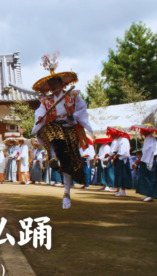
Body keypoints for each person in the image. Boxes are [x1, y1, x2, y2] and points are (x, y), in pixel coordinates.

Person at [31, 53, 92, 209]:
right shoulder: (47, 101)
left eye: (55, 82)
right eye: (50, 83)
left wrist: (73, 116)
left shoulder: (73, 96)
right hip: (55, 127)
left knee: (68, 161)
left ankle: (66, 192)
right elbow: (39, 112)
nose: (52, 86)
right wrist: (39, 118)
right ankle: (51, 155)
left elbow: (82, 110)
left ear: (61, 83)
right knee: (47, 129)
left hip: (70, 127)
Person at [131, 124, 157, 202]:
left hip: (150, 160)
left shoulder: (151, 139)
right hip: (146, 159)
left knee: (150, 178)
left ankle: (151, 194)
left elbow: (150, 151)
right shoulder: (147, 139)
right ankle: (148, 194)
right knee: (145, 177)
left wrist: (141, 160)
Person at [107, 127, 132, 197]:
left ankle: (123, 190)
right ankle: (120, 189)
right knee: (118, 174)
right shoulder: (119, 140)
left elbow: (123, 151)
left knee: (122, 174)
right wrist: (112, 156)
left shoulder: (124, 140)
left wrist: (116, 155)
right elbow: (116, 150)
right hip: (118, 158)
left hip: (122, 159)